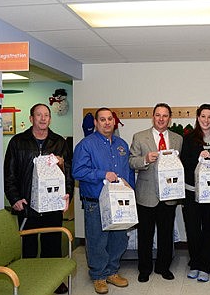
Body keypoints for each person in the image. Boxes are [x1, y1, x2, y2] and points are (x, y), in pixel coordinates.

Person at [4, 103, 73, 294]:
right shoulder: (18, 142)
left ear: (50, 119)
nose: (43, 119)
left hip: (52, 204)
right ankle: (30, 281)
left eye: (46, 115)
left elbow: (67, 173)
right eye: (39, 115)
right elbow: (9, 174)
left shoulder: (59, 142)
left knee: (52, 244)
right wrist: (15, 198)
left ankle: (55, 280)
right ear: (31, 118)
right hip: (28, 204)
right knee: (29, 246)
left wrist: (67, 196)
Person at [72, 107, 135, 294]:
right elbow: (77, 171)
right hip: (95, 201)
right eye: (102, 119)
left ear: (114, 122)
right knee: (97, 239)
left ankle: (112, 271)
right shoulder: (85, 145)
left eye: (110, 119)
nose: (107, 122)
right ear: (96, 123)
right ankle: (98, 275)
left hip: (120, 200)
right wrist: (102, 174)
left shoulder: (121, 144)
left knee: (119, 238)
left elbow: (129, 171)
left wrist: (131, 190)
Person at [129, 103, 183, 283]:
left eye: (165, 115)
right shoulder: (139, 137)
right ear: (153, 117)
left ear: (170, 118)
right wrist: (144, 159)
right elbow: (131, 162)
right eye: (158, 115)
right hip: (146, 194)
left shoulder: (177, 139)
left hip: (169, 195)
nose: (161, 119)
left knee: (166, 234)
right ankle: (144, 269)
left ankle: (163, 267)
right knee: (145, 235)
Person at [180, 104, 210, 282]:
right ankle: (194, 263)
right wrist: (198, 157)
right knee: (193, 230)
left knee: (209, 230)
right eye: (203, 116)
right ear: (198, 118)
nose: (206, 120)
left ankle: (205, 266)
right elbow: (184, 162)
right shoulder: (189, 138)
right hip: (192, 192)